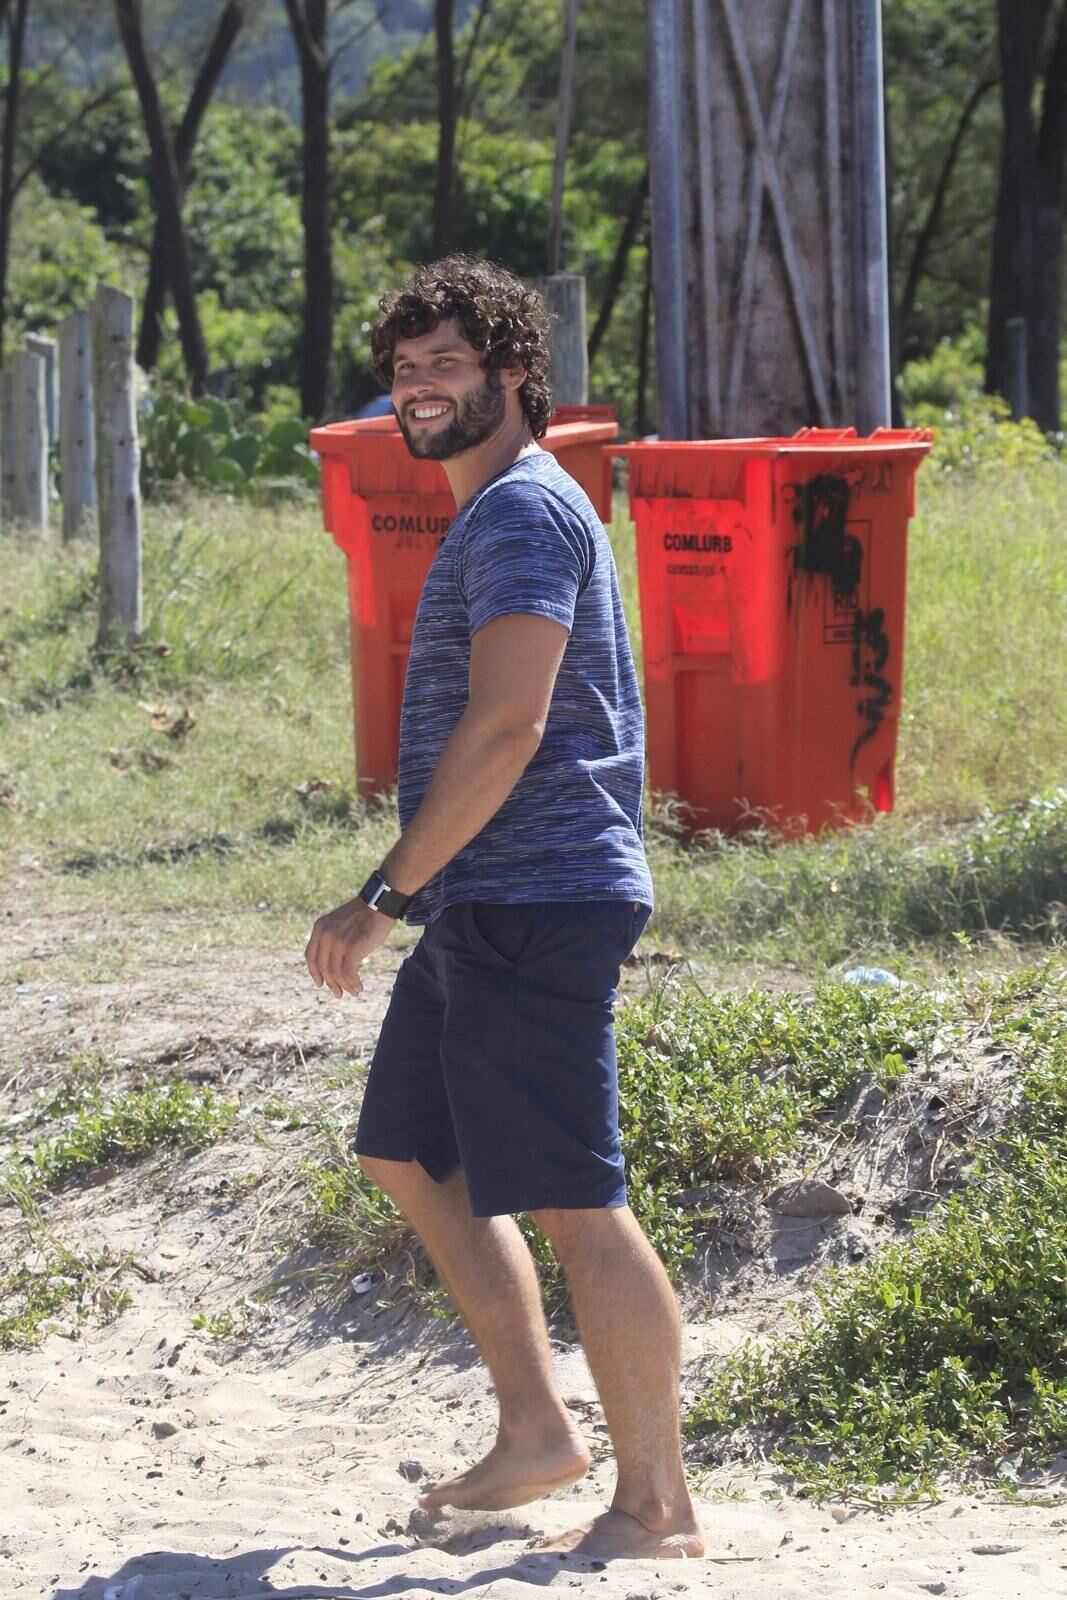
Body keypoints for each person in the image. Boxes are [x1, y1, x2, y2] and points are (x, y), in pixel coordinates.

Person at [304, 256, 704, 1562]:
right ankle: (539, 1429)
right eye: (405, 368)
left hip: (539, 892)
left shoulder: (527, 515)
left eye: (448, 364)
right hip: (486, 897)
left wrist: (380, 894)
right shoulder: (491, 514)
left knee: (579, 1201)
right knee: (409, 1154)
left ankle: (657, 1506)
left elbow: (510, 725)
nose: (420, 388)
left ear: (514, 374)